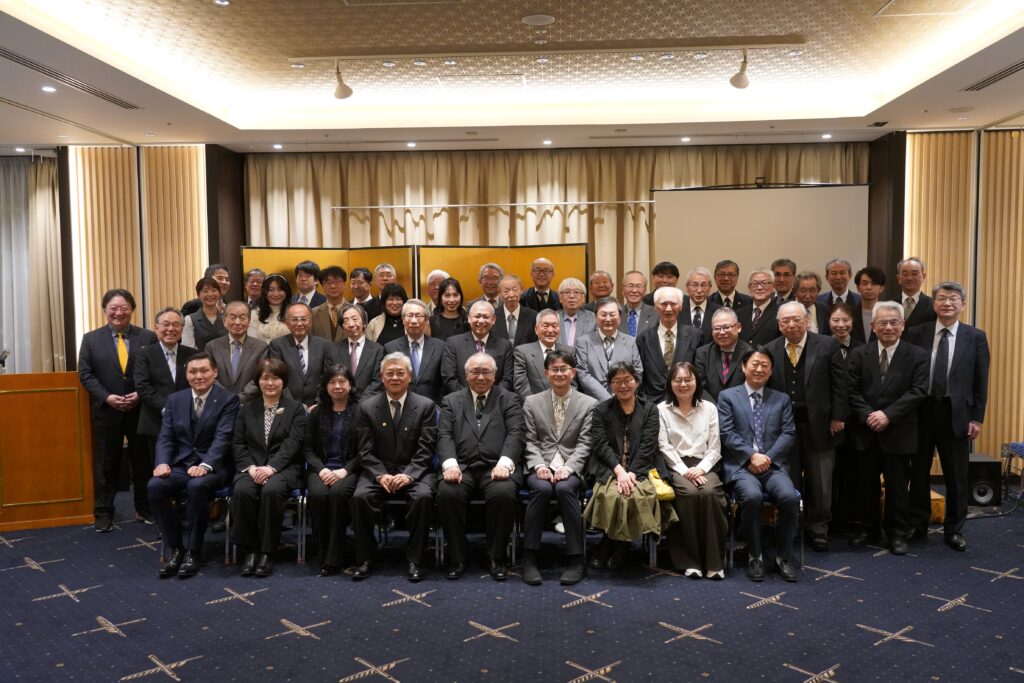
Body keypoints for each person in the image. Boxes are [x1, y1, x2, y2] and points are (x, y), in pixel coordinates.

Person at [905, 282, 989, 552]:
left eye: (953, 299)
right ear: (934, 304)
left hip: (956, 413)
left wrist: (977, 418)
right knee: (918, 471)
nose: (947, 303)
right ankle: (917, 524)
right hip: (922, 409)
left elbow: (981, 381)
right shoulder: (917, 333)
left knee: (956, 475)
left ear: (963, 304)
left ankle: (954, 529)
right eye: (942, 298)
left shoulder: (975, 337)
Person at [766, 301, 849, 551]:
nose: (791, 325)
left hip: (821, 425)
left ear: (807, 321)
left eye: (796, 319)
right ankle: (789, 526)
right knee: (787, 480)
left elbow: (840, 384)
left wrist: (838, 417)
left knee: (820, 481)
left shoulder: (827, 344)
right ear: (779, 325)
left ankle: (818, 528)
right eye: (785, 321)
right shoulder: (770, 349)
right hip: (783, 428)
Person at [147, 353, 239, 578]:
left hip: (215, 467)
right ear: (186, 375)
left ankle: (193, 550)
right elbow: (166, 437)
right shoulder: (175, 400)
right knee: (155, 486)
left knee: (196, 486)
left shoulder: (228, 400)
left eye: (204, 370)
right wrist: (162, 462)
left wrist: (206, 465)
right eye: (193, 371)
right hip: (182, 465)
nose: (199, 376)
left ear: (215, 372)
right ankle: (176, 548)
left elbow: (223, 438)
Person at [847, 301, 928, 555]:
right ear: (873, 326)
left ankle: (897, 533)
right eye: (882, 323)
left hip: (899, 430)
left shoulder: (917, 355)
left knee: (897, 487)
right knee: (866, 484)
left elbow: (918, 391)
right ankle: (868, 528)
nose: (888, 327)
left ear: (903, 325)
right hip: (866, 430)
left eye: (894, 322)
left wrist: (888, 415)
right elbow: (851, 390)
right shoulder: (859, 354)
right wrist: (869, 415)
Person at [351, 352, 438, 582]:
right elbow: (365, 450)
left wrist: (409, 475)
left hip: (416, 471)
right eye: (390, 373)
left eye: (400, 373)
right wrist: (380, 475)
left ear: (410, 376)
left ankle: (416, 560)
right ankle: (365, 558)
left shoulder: (426, 406)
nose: (395, 377)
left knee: (422, 498)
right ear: (381, 377)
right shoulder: (367, 407)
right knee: (360, 497)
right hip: (379, 471)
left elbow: (426, 449)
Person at [437, 353, 524, 581]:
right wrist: (450, 465)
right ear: (466, 375)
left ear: (494, 375)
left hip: (495, 466)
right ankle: (458, 556)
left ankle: (496, 557)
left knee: (504, 493)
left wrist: (505, 464)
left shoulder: (509, 399)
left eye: (486, 372)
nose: (481, 377)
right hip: (462, 466)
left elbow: (516, 434)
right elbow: (444, 435)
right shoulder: (451, 400)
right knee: (447, 493)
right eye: (475, 372)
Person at [718, 347, 800, 582]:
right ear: (744, 367)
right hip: (741, 466)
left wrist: (767, 458)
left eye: (765, 365)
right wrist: (751, 456)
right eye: (754, 364)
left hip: (773, 465)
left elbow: (788, 433)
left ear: (771, 370)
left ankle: (783, 557)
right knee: (752, 497)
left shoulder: (781, 399)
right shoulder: (728, 397)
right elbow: (726, 433)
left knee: (789, 498)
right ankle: (755, 556)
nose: (759, 369)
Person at [78, 288, 157, 532]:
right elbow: (85, 374)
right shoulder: (91, 339)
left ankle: (144, 507)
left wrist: (141, 395)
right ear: (105, 310)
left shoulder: (148, 337)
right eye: (113, 308)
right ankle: (104, 513)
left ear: (132, 310)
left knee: (143, 462)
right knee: (106, 463)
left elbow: (156, 371)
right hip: (107, 410)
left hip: (140, 410)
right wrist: (106, 397)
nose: (118, 313)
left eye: (124, 308)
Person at [585, 362, 676, 571]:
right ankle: (617, 544)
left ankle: (614, 545)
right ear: (610, 385)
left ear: (636, 381)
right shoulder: (601, 410)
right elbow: (600, 444)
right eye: (616, 381)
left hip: (642, 468)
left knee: (632, 496)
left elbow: (648, 445)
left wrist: (632, 473)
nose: (623, 385)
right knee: (612, 495)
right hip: (610, 468)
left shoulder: (650, 409)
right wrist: (620, 471)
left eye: (627, 380)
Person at [521, 349, 597, 586]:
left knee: (565, 489)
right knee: (541, 489)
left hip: (571, 468)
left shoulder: (589, 404)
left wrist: (569, 468)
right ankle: (529, 558)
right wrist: (538, 466)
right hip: (541, 465)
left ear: (573, 372)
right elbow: (530, 440)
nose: (559, 373)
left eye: (564, 369)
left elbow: (585, 443)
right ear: (546, 373)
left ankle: (576, 559)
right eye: (554, 369)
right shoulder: (532, 402)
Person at [229, 358, 307, 578]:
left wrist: (272, 467)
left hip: (283, 468)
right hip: (251, 467)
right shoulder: (246, 409)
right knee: (242, 491)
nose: (270, 383)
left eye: (275, 378)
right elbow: (238, 443)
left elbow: (293, 444)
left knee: (271, 491)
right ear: (258, 381)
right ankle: (250, 550)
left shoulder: (296, 409)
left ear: (284, 381)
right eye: (265, 378)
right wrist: (250, 467)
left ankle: (267, 551)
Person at [658, 361, 728, 579]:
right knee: (688, 494)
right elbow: (664, 446)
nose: (683, 384)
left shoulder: (709, 408)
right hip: (676, 465)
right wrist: (684, 470)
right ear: (670, 383)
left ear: (696, 381)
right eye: (677, 380)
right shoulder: (661, 410)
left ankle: (714, 562)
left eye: (688, 379)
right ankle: (690, 561)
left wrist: (701, 468)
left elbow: (715, 446)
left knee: (709, 493)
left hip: (705, 464)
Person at [134, 307, 198, 524]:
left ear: (182, 328)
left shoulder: (191, 354)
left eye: (176, 325)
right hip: (154, 421)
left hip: (187, 422)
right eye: (166, 325)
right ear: (156, 328)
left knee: (183, 467)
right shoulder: (145, 353)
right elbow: (143, 387)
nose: (171, 329)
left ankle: (183, 511)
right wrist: (168, 410)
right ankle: (161, 516)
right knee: (159, 469)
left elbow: (197, 385)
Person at [304, 363, 361, 575]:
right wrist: (322, 470)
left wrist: (344, 471)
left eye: (342, 381)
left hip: (349, 470)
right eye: (332, 382)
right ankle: (324, 550)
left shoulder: (360, 412)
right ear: (325, 386)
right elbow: (307, 449)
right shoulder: (317, 413)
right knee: (318, 495)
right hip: (320, 469)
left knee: (338, 494)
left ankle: (334, 557)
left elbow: (365, 450)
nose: (337, 386)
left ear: (350, 385)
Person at [827, 301, 863, 533]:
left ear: (853, 321)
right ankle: (831, 518)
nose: (841, 325)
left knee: (853, 471)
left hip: (857, 420)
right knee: (831, 471)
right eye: (836, 320)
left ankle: (850, 519)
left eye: (845, 320)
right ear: (828, 322)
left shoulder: (862, 348)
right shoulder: (822, 346)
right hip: (830, 420)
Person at [267, 302, 339, 409]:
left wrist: (318, 403)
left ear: (310, 322)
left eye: (304, 319)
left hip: (318, 407)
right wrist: (293, 406)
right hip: (286, 407)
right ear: (287, 322)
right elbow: (277, 377)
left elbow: (328, 377)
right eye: (295, 319)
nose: (299, 323)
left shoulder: (324, 345)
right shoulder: (277, 345)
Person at [636, 286, 700, 402]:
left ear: (680, 306)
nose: (669, 308)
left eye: (673, 304)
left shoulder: (695, 336)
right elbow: (640, 376)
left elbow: (699, 373)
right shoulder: (643, 339)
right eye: (664, 304)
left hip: (686, 401)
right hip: (653, 403)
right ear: (656, 307)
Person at [574, 298, 643, 401]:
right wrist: (608, 399)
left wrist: (621, 394)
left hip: (624, 400)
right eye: (603, 315)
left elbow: (637, 372)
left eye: (612, 315)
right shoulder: (583, 342)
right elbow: (583, 374)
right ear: (596, 317)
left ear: (620, 317)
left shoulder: (630, 342)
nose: (608, 319)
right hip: (593, 402)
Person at [441, 300, 514, 394]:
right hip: (461, 400)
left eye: (486, 317)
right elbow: (449, 377)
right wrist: (468, 398)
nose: (481, 321)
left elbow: (507, 378)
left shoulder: (505, 345)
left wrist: (492, 398)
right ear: (469, 318)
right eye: (477, 316)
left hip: (495, 400)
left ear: (493, 319)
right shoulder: (453, 343)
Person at [206, 301, 268, 405]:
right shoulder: (212, 347)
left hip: (251, 404)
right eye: (233, 317)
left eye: (242, 318)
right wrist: (226, 398)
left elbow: (261, 376)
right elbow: (210, 375)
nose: (238, 322)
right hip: (219, 404)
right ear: (224, 320)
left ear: (249, 321)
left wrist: (239, 398)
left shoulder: (261, 347)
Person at [384, 299, 446, 404]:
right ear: (403, 319)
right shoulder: (390, 348)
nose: (413, 321)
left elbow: (445, 382)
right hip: (402, 406)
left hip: (433, 406)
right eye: (409, 316)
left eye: (418, 316)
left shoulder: (440, 347)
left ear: (426, 320)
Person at [513, 308, 575, 397]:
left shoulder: (569, 351)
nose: (550, 330)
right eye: (545, 326)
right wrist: (538, 404)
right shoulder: (522, 352)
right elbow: (521, 386)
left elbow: (573, 383)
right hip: (534, 404)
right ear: (536, 329)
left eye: (554, 326)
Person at [695, 308, 751, 402]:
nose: (721, 332)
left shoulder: (750, 353)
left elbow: (751, 386)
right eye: (717, 328)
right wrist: (713, 407)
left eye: (726, 327)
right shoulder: (702, 353)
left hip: (740, 406)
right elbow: (700, 386)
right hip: (710, 407)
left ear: (738, 327)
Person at [337, 303, 384, 396]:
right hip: (341, 400)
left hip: (369, 401)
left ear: (364, 323)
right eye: (346, 321)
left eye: (355, 319)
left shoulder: (378, 350)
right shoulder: (333, 349)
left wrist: (363, 401)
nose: (351, 324)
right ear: (342, 326)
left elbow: (378, 381)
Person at [738, 268, 781, 347]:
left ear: (773, 287)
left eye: (764, 283)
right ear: (749, 288)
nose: (759, 287)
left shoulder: (780, 313)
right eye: (755, 283)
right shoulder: (739, 314)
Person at [182, 277, 227, 351]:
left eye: (214, 290)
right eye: (205, 291)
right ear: (198, 295)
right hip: (200, 358)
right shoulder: (190, 320)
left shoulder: (226, 318)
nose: (210, 294)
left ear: (219, 293)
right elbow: (188, 349)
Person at [492, 274, 538, 347]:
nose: (511, 295)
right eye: (506, 291)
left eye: (515, 290)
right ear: (499, 293)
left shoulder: (533, 316)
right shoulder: (492, 316)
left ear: (521, 290)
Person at [894, 257, 936, 331]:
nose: (909, 278)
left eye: (914, 274)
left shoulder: (933, 305)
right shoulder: (889, 305)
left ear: (923, 277)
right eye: (905, 274)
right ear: (899, 278)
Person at [681, 267, 720, 345]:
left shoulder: (719, 311)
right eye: (695, 285)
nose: (699, 290)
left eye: (703, 285)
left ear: (710, 288)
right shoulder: (678, 310)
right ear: (687, 287)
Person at [248, 274, 292, 343]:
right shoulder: (255, 314)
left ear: (286, 291)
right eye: (271, 290)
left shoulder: (294, 313)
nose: (276, 294)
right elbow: (251, 342)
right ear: (264, 292)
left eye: (280, 289)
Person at [310, 265, 348, 342]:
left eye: (337, 282)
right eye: (328, 282)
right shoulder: (313, 313)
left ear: (344, 284)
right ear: (322, 286)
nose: (333, 286)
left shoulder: (358, 312)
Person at [555, 278, 595, 346]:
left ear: (583, 298)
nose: (572, 296)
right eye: (567, 292)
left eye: (576, 292)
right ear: (560, 298)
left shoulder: (593, 318)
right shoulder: (552, 317)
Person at [428, 277, 470, 341]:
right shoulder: (431, 322)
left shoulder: (468, 320)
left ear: (461, 296)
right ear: (440, 297)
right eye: (447, 295)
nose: (451, 300)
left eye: (455, 295)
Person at [854, 266, 887, 343]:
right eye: (864, 283)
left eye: (874, 284)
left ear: (882, 288)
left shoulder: (888, 314)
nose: (869, 287)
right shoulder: (850, 314)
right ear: (858, 288)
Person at [619, 270, 657, 337]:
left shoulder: (656, 314)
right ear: (623, 290)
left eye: (638, 286)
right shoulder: (616, 313)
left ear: (645, 290)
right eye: (630, 286)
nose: (634, 290)